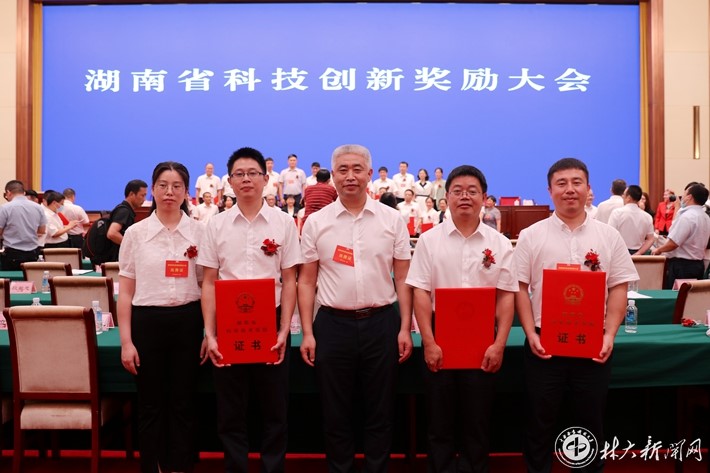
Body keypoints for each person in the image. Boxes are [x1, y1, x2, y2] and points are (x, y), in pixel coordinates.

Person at [514, 158, 637, 473]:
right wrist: (530, 333)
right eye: (562, 183)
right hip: (544, 345)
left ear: (588, 188)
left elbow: (618, 288)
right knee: (539, 421)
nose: (569, 189)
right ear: (550, 191)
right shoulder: (531, 235)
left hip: (592, 344)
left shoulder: (609, 236)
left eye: (576, 182)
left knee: (589, 421)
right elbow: (519, 288)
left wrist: (609, 335)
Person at [298, 144, 413, 473]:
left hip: (381, 323)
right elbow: (306, 282)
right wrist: (307, 332)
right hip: (332, 325)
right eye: (343, 170)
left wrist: (405, 327)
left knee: (381, 410)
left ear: (369, 174)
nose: (350, 176)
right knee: (335, 412)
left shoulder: (391, 220)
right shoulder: (316, 222)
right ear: (333, 175)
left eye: (357, 169)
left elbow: (404, 278)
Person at [406, 164, 518, 473]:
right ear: (446, 197)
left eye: (472, 191)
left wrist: (499, 344)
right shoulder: (429, 240)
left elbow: (506, 296)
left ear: (484, 197)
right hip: (440, 337)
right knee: (439, 422)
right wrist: (428, 342)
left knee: (477, 422)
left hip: (483, 340)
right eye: (457, 191)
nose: (464, 196)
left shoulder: (498, 243)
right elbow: (420, 293)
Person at [198, 147, 301, 473]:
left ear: (265, 179)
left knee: (274, 409)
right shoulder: (215, 225)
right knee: (231, 410)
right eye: (239, 174)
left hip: (270, 323)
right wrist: (210, 333)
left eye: (253, 173)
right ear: (229, 181)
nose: (246, 179)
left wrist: (284, 329)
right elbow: (209, 282)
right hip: (228, 325)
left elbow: (290, 280)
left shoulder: (283, 223)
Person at [118, 161, 208, 473]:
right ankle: (152, 467)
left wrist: (209, 331)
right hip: (147, 323)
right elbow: (125, 292)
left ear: (186, 192)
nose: (169, 192)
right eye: (163, 185)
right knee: (150, 403)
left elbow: (207, 286)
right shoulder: (135, 234)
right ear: (152, 190)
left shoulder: (200, 232)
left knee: (184, 401)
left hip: (188, 322)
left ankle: (180, 466)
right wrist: (126, 342)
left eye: (176, 186)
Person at [651, 183, 710, 288]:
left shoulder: (687, 217)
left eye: (684, 193)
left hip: (682, 266)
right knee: (691, 296)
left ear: (689, 197)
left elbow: (673, 243)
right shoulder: (705, 217)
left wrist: (659, 250)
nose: (682, 196)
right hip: (697, 264)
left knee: (677, 296)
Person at [0, 180, 46, 270]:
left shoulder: (5, 208)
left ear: (8, 192)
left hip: (12, 253)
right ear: (24, 192)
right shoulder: (38, 207)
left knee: (11, 278)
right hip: (33, 252)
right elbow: (42, 230)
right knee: (30, 277)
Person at [107, 179, 148, 262]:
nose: (144, 199)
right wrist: (132, 246)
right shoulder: (124, 211)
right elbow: (112, 233)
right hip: (115, 260)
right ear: (132, 194)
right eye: (142, 195)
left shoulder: (125, 210)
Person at [608, 185, 655, 255]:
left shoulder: (617, 213)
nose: (622, 196)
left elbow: (610, 234)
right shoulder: (647, 216)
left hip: (619, 253)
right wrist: (638, 253)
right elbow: (650, 239)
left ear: (629, 198)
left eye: (624, 194)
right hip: (638, 254)